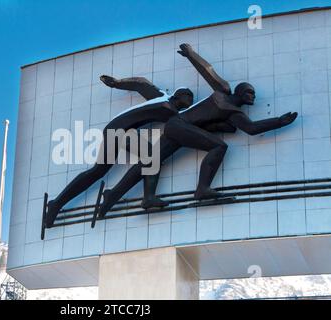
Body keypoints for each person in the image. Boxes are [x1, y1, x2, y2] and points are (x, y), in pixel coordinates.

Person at [97, 43, 298, 218]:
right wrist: (191, 54)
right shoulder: (223, 92)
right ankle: (202, 189)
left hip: (180, 131)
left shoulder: (235, 115)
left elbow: (252, 128)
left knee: (150, 163)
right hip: (179, 125)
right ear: (239, 91)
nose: (252, 96)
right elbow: (207, 71)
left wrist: (279, 121)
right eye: (249, 92)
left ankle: (113, 195)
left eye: (253, 94)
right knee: (219, 146)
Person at [45, 74, 194, 228]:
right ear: (178, 95)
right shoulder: (162, 97)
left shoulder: (176, 114)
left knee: (98, 171)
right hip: (119, 130)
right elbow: (141, 84)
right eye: (189, 95)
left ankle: (56, 204)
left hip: (118, 131)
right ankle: (146, 197)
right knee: (152, 155)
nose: (191, 100)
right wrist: (117, 83)